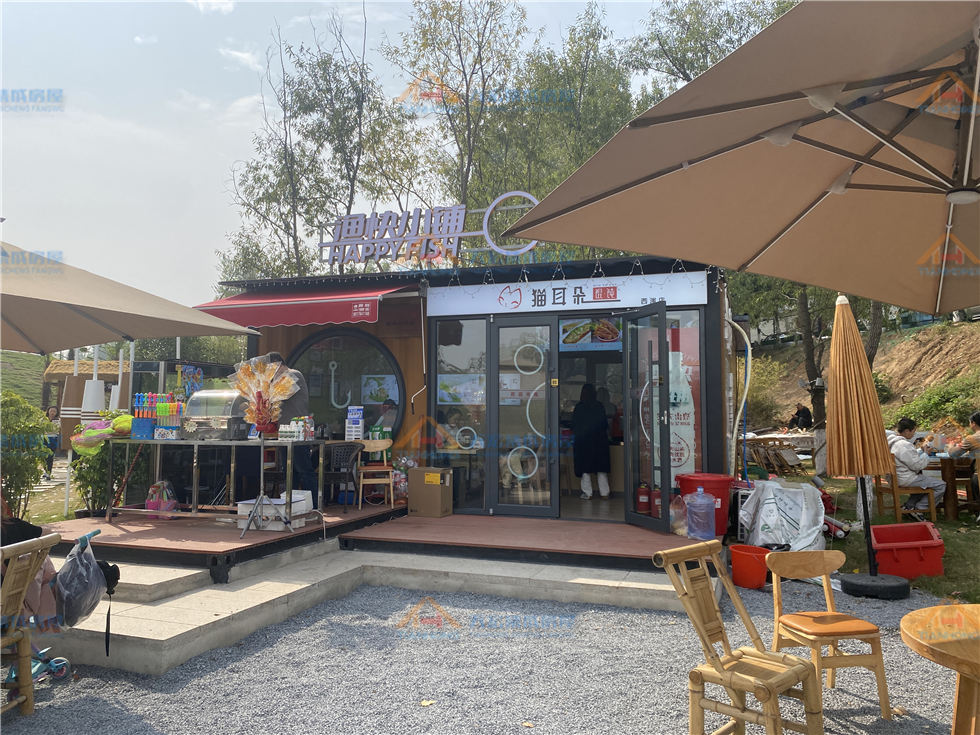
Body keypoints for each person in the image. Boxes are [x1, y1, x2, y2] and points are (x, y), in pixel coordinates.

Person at [261, 352, 318, 506]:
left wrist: (266, 389)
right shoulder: (278, 380)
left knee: (304, 469)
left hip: (298, 430)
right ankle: (291, 504)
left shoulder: (293, 374)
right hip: (285, 431)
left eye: (270, 368)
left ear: (278, 364)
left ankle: (313, 505)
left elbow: (282, 394)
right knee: (289, 471)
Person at [885, 417, 946, 520]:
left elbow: (907, 458)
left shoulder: (891, 442)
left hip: (894, 478)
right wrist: (926, 453)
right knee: (940, 485)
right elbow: (917, 466)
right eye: (913, 431)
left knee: (924, 482)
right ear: (907, 431)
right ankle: (918, 509)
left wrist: (921, 451)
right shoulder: (903, 445)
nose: (914, 434)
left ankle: (908, 507)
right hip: (905, 479)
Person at [572, 383, 611, 499]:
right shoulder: (599, 406)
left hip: (584, 442)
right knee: (601, 469)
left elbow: (574, 425)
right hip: (600, 441)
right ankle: (604, 493)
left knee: (585, 469)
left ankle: (587, 493)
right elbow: (604, 424)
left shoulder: (579, 407)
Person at [43, 406, 59, 480]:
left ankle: (48, 473)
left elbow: (55, 430)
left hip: (53, 439)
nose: (52, 413)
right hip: (44, 439)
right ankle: (45, 471)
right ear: (48, 411)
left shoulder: (58, 421)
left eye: (54, 411)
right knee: (43, 457)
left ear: (56, 413)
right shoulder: (43, 419)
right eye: (51, 411)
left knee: (50, 457)